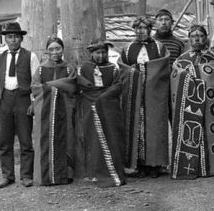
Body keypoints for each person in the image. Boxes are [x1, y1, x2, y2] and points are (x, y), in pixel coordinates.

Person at [119, 16, 170, 178]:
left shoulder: (159, 47)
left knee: (155, 127)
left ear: (150, 30)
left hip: (154, 94)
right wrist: (135, 72)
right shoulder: (127, 49)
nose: (141, 31)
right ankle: (138, 164)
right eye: (138, 28)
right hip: (135, 94)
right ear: (134, 30)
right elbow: (123, 68)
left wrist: (146, 72)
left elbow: (162, 66)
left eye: (144, 28)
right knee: (136, 126)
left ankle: (155, 164)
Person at [77, 39, 126, 187]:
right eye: (97, 52)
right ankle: (94, 173)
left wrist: (103, 96)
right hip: (90, 107)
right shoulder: (84, 68)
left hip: (108, 109)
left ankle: (112, 171)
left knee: (111, 138)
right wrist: (94, 96)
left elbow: (117, 86)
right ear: (91, 53)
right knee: (93, 140)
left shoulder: (113, 68)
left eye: (104, 52)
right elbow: (81, 84)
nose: (101, 55)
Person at [0, 21, 39, 188]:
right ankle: (7, 176)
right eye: (9, 37)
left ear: (21, 39)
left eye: (16, 37)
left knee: (25, 140)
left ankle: (26, 176)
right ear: (5, 39)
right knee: (4, 141)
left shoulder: (31, 56)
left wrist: (33, 102)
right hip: (5, 100)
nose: (13, 40)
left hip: (23, 100)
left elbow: (36, 82)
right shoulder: (0, 57)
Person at [171, 25, 214, 179]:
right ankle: (193, 168)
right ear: (189, 38)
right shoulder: (181, 59)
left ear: (206, 38)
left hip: (211, 104)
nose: (197, 39)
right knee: (192, 132)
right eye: (194, 36)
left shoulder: (213, 58)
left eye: (201, 36)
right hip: (190, 105)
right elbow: (175, 80)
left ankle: (212, 168)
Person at [31, 36, 76, 185]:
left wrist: (49, 85)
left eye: (58, 48)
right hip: (46, 111)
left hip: (65, 108)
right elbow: (36, 87)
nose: (55, 52)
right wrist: (56, 86)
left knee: (66, 138)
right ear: (46, 52)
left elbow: (71, 85)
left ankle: (65, 174)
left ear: (63, 50)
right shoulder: (41, 69)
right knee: (45, 138)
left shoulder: (69, 68)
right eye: (51, 49)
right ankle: (46, 174)